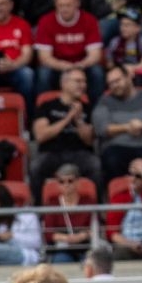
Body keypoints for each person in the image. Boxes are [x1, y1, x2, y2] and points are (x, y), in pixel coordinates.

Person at [30, 66, 99, 195]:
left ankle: (98, 206)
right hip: (51, 152)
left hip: (80, 152)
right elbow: (40, 136)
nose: (82, 85)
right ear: (64, 83)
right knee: (36, 166)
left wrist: (79, 120)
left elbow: (89, 141)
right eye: (78, 81)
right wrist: (68, 118)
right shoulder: (47, 106)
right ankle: (37, 206)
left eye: (84, 81)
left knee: (95, 166)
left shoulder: (88, 108)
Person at [35, 0, 104, 103]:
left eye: (68, 5)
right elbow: (44, 57)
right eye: (61, 5)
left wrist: (81, 65)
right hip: (57, 64)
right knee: (43, 74)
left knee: (97, 72)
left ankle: (96, 107)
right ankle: (43, 108)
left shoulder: (90, 20)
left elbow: (95, 55)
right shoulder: (46, 21)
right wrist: (62, 65)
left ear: (77, 4)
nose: (64, 9)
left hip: (82, 63)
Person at [92, 62, 142, 178]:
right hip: (119, 147)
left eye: (117, 81)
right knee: (111, 160)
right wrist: (127, 127)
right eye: (110, 83)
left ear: (128, 77)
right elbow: (101, 129)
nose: (114, 86)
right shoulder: (104, 101)